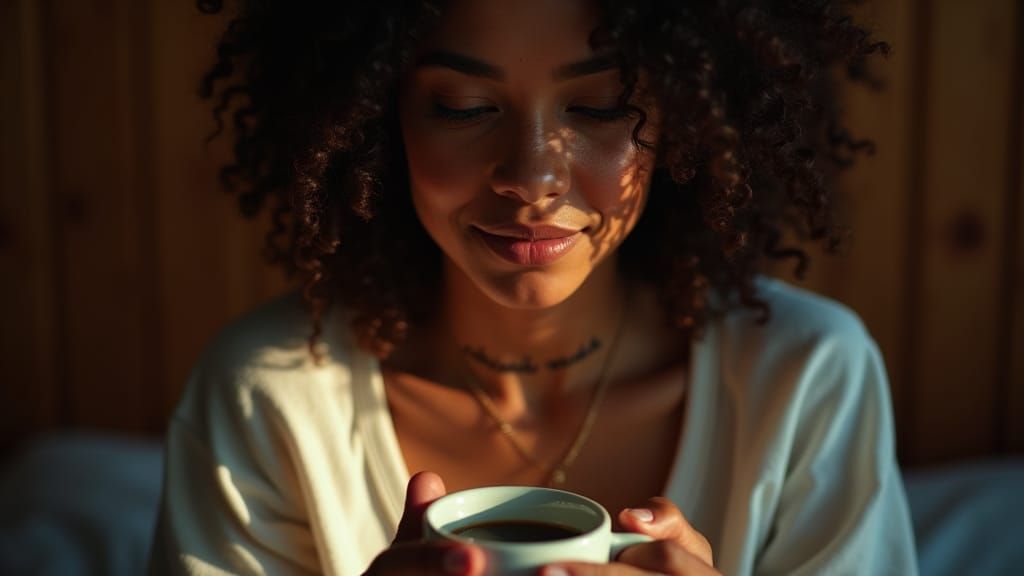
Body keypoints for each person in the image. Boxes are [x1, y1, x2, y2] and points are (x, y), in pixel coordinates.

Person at [150, 0, 918, 574]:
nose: (532, 177)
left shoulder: (807, 377)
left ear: (686, 116)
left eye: (600, 105)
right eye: (463, 108)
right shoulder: (272, 395)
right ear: (377, 121)